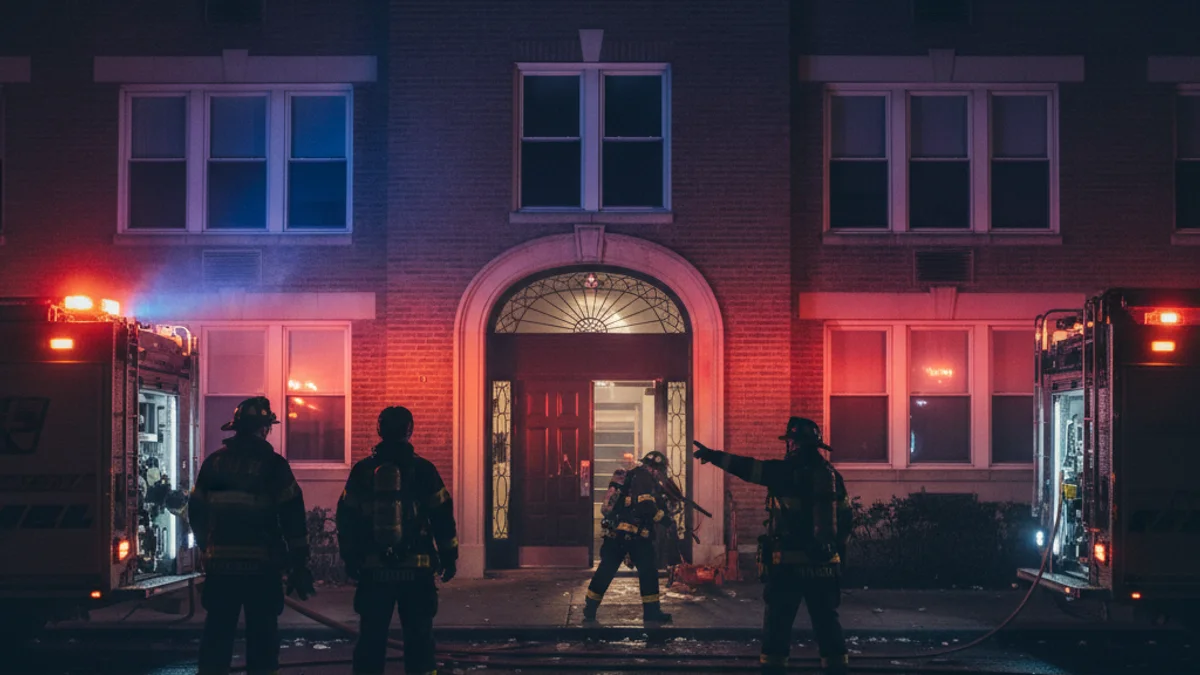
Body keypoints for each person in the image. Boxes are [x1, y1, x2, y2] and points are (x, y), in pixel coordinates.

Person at [693, 417, 852, 675]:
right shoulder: (833, 477)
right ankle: (837, 669)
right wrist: (838, 560)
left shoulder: (783, 472)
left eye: (789, 441)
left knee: (778, 623)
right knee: (827, 622)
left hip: (788, 566)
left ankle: (773, 669)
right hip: (823, 567)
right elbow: (845, 522)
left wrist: (714, 456)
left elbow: (748, 468)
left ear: (793, 443)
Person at [189, 396, 314, 675]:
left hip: (221, 567)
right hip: (262, 567)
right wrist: (299, 564)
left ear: (237, 428)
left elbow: (196, 510)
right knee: (263, 637)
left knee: (217, 635)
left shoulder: (214, 464)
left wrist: (206, 548)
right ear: (263, 429)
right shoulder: (274, 466)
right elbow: (293, 518)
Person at [337, 406, 458, 675]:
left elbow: (346, 518)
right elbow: (442, 517)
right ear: (409, 430)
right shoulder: (425, 470)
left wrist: (350, 558)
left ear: (380, 431)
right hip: (416, 572)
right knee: (419, 641)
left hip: (374, 570)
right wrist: (450, 558)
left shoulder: (363, 471)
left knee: (371, 639)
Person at [583, 451, 674, 624]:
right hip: (635, 536)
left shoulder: (633, 476)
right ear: (654, 468)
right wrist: (666, 520)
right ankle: (652, 614)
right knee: (648, 572)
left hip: (616, 535)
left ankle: (590, 608)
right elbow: (646, 506)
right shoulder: (644, 477)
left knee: (606, 570)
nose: (659, 474)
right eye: (659, 470)